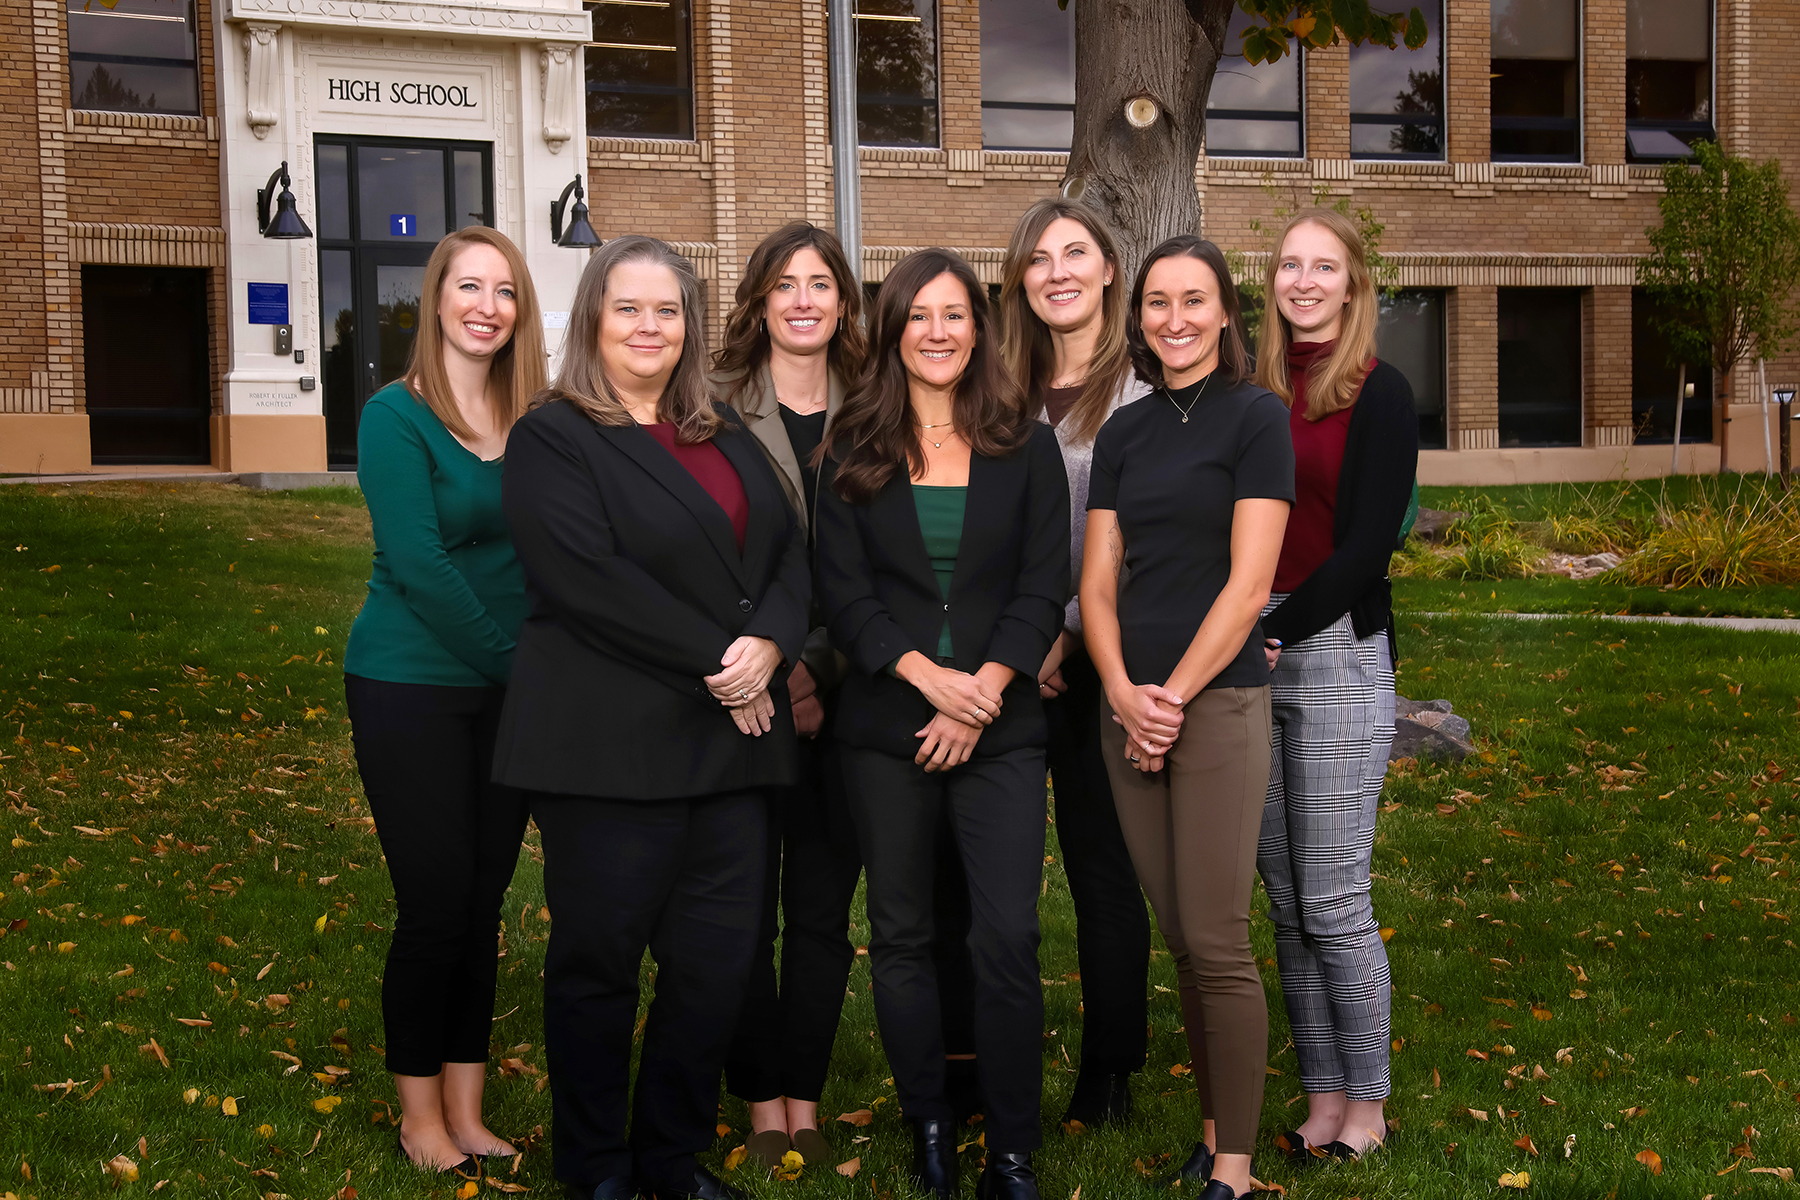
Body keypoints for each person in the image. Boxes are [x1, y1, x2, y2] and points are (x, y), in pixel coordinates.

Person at [494, 235, 811, 1200]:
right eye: (628, 308)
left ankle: (670, 1162)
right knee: (599, 967)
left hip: (733, 748)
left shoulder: (718, 427)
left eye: (668, 310)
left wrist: (775, 648)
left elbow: (792, 552)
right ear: (594, 316)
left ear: (690, 325)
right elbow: (585, 580)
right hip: (608, 750)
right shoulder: (554, 434)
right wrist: (724, 661)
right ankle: (595, 1170)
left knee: (714, 967)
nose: (649, 327)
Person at [814, 248, 1069, 1200]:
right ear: (891, 331)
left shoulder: (1024, 442)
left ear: (981, 327)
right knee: (904, 934)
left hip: (1000, 729)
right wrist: (931, 681)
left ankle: (1010, 1147)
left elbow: (1044, 584)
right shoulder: (849, 445)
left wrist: (985, 688)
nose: (936, 331)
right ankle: (927, 1122)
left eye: (955, 313)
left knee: (1005, 939)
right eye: (917, 314)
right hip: (888, 726)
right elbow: (844, 595)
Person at [1080, 236, 1294, 1200]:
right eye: (1157, 302)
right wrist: (1123, 690)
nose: (1172, 318)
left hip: (1218, 702)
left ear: (1224, 315)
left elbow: (1250, 587)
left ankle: (1237, 1174)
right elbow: (1096, 583)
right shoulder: (1123, 433)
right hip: (1129, 708)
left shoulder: (1257, 418)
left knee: (1215, 939)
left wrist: (1169, 697)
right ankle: (1214, 1133)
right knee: (1178, 937)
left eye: (1193, 301)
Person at [341, 225, 546, 1181]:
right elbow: (419, 566)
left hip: (509, 690)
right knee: (433, 904)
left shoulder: (534, 418)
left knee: (484, 902)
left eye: (504, 291)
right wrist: (522, 669)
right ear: (436, 299)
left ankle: (467, 1106)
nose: (486, 307)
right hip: (411, 684)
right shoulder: (396, 415)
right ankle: (417, 1109)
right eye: (469, 287)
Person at [1252, 208, 1417, 1164]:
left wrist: (1275, 628)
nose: (1304, 282)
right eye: (1288, 266)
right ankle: (1321, 1092)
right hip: (1255, 645)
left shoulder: (1379, 393)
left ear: (1354, 286)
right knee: (1281, 894)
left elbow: (1366, 548)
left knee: (1333, 898)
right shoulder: (1256, 390)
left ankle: (1370, 1102)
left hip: (1337, 651)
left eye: (1324, 267)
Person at [711, 221, 868, 1170]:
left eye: (820, 283)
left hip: (848, 690)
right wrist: (776, 663)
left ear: (843, 302)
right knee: (738, 910)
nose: (803, 299)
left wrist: (818, 665)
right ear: (760, 301)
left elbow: (886, 565)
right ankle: (757, 1095)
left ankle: (802, 1096)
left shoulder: (880, 408)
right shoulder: (714, 407)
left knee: (820, 911)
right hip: (748, 696)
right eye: (785, 284)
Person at [996, 197, 1152, 1128]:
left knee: (1101, 868)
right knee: (999, 877)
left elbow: (1150, 537)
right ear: (1020, 280)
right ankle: (983, 1055)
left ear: (1106, 271)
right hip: (1007, 665)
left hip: (1106, 662)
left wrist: (1065, 633)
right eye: (1039, 258)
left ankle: (1111, 1068)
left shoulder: (1141, 390)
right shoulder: (992, 390)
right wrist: (1027, 639)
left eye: (1076, 253)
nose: (1057, 271)